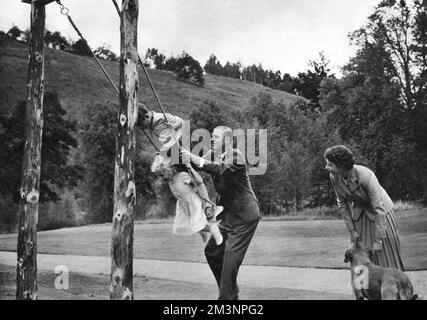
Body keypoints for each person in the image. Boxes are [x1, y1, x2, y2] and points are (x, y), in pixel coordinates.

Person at [181, 126, 261, 300]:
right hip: (229, 217)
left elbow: (218, 169)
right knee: (212, 252)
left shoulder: (236, 156)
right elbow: (196, 163)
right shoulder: (214, 155)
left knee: (229, 266)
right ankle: (232, 294)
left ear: (226, 141)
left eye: (215, 137)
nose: (211, 139)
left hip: (245, 218)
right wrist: (178, 154)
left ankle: (226, 298)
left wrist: (192, 158)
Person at [138, 104, 223, 244]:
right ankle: (205, 221)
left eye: (141, 124)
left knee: (193, 176)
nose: (142, 128)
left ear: (147, 116)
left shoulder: (160, 119)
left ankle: (208, 208)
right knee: (182, 175)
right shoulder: (153, 122)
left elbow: (181, 122)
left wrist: (173, 128)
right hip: (171, 152)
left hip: (178, 148)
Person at [324, 145, 405, 271]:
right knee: (362, 254)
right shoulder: (334, 176)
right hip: (360, 213)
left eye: (330, 165)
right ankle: (367, 289)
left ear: (341, 166)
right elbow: (342, 204)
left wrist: (379, 240)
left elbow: (379, 208)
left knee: (385, 253)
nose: (326, 167)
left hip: (381, 214)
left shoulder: (366, 175)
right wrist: (352, 231)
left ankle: (394, 287)